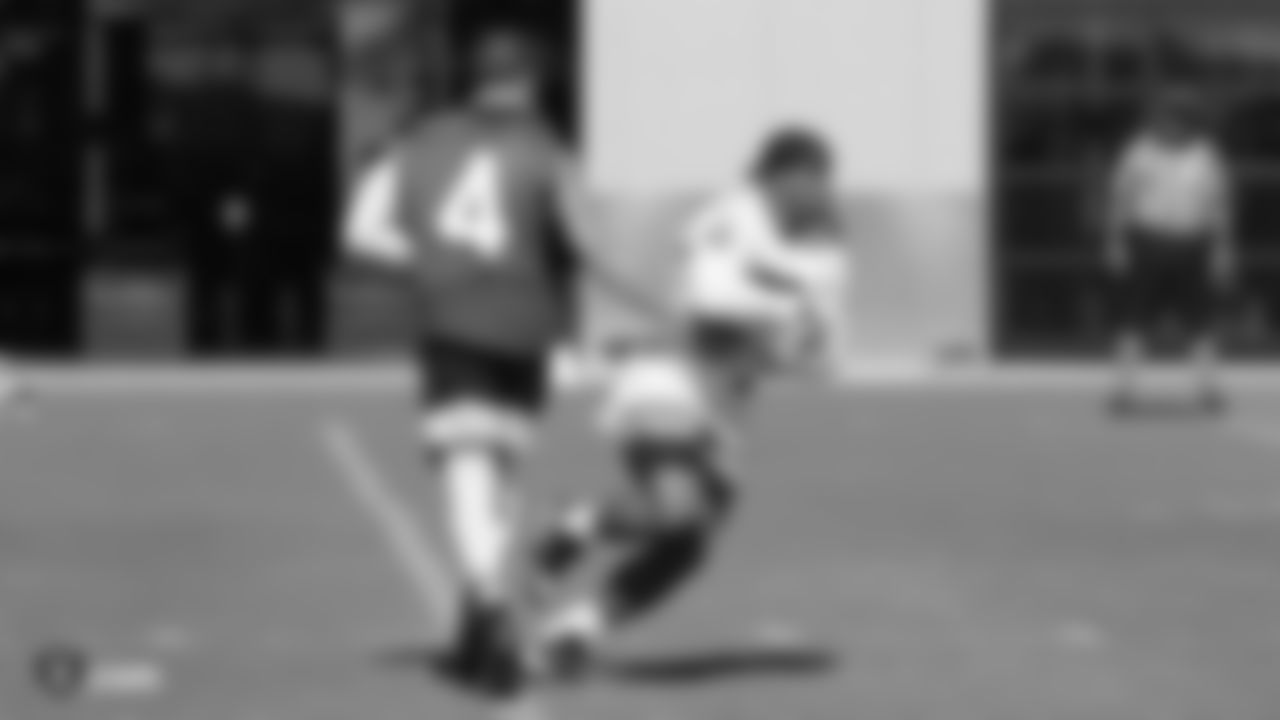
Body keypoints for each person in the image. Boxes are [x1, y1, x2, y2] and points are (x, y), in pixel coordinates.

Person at [342, 25, 660, 698]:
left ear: (473, 78)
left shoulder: (421, 141)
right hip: (525, 328)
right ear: (531, 81)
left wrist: (427, 263)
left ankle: (484, 600)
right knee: (500, 476)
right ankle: (484, 606)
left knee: (466, 466)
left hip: (451, 324)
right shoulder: (549, 151)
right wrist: (652, 305)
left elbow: (360, 231)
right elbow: (587, 246)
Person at [523, 126, 844, 678]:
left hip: (722, 405)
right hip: (667, 381)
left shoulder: (814, 239)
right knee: (677, 510)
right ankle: (580, 520)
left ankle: (575, 631)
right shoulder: (734, 215)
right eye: (813, 177)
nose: (821, 191)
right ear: (780, 175)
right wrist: (787, 316)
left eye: (825, 180)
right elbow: (708, 299)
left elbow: (813, 345)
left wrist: (802, 344)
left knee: (686, 547)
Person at [1105, 88, 1235, 414]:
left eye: (1178, 119)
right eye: (1166, 118)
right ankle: (1123, 391)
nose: (1171, 125)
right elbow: (1120, 199)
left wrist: (1222, 249)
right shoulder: (1138, 152)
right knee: (1133, 318)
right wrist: (1115, 242)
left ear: (1188, 123)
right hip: (1148, 242)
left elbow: (1218, 204)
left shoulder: (1205, 154)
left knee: (1201, 320)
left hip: (1193, 244)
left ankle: (1209, 390)